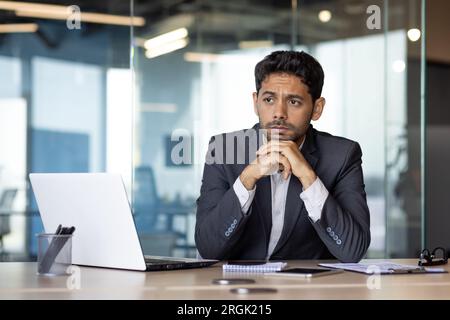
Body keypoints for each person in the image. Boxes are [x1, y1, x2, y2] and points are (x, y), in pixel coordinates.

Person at [195, 50, 370, 262]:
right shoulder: (223, 150)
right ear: (256, 102)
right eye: (269, 99)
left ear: (317, 108)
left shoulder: (342, 156)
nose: (279, 113)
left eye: (294, 102)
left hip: (305, 291)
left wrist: (308, 176)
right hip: (238, 289)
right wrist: (247, 179)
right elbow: (208, 248)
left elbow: (353, 251)